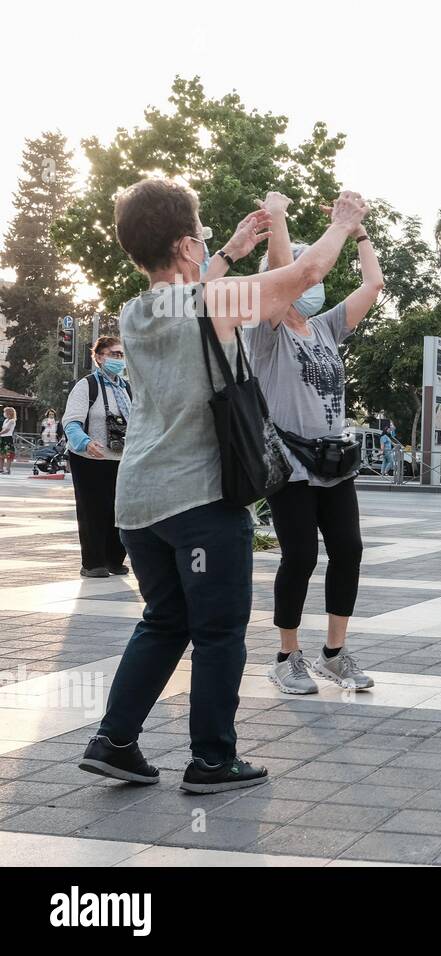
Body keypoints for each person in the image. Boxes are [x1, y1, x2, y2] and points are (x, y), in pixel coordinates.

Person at [76, 176, 366, 794]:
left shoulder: (135, 311)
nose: (207, 245)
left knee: (164, 619)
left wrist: (229, 251)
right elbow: (308, 274)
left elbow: (192, 293)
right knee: (217, 629)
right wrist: (343, 221)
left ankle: (115, 741)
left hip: (139, 501)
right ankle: (211, 759)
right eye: (200, 238)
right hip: (199, 498)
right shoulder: (214, 301)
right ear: (185, 247)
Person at [249, 190, 384, 695]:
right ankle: (286, 656)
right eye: (304, 272)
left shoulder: (325, 328)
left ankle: (334, 652)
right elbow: (288, 273)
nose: (313, 280)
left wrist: (358, 230)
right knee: (300, 556)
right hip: (289, 460)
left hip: (333, 459)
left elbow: (374, 282)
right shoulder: (265, 330)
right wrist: (279, 219)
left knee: (348, 549)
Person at [61, 336, 133, 577]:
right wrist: (85, 442)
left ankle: (114, 559)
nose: (118, 359)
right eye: (114, 354)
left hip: (121, 458)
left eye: (121, 355)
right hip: (89, 459)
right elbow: (71, 422)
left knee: (120, 510)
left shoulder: (127, 388)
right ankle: (93, 563)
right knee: (94, 509)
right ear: (99, 357)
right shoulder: (87, 385)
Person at [0, 407, 15, 475]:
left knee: (8, 455)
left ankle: (8, 470)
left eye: (5, 412)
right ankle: (1, 468)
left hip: (8, 438)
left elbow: (7, 429)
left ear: (9, 413)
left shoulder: (12, 420)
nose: (4, 413)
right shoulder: (5, 420)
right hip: (2, 438)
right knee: (1, 455)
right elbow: (3, 429)